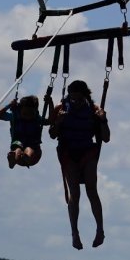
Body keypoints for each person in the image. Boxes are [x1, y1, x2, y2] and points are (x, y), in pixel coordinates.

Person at [48, 80, 110, 250]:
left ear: (84, 96)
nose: (74, 102)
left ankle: (100, 230)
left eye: (77, 99)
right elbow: (52, 135)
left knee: (92, 190)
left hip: (87, 152)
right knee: (75, 193)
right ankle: (75, 233)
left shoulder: (94, 110)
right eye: (71, 99)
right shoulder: (61, 108)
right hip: (68, 152)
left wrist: (103, 120)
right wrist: (58, 122)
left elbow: (106, 138)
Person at [0, 95, 43, 169]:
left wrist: (49, 102)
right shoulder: (14, 117)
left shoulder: (37, 119)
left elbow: (49, 121)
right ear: (20, 110)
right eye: (25, 114)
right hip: (19, 152)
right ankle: (14, 159)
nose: (27, 116)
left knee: (29, 148)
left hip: (34, 156)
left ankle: (26, 157)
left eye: (30, 114)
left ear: (35, 111)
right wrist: (10, 105)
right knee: (18, 148)